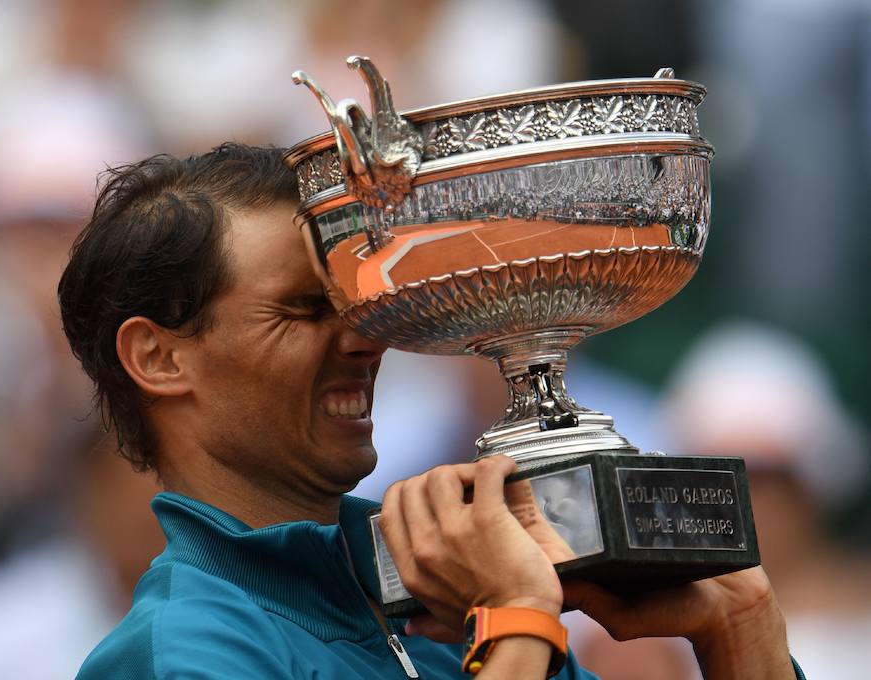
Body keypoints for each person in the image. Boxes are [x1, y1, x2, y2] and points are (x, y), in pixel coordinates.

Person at [59, 143, 804, 679]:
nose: (363, 338)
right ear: (159, 358)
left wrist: (740, 630)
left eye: (355, 306)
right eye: (303, 310)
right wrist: (515, 620)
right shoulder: (179, 653)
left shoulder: (441, 599)